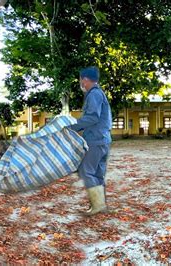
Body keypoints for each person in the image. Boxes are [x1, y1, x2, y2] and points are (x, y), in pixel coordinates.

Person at [69, 66, 112, 216]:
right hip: (103, 140)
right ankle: (100, 205)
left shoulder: (93, 94)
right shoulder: (100, 94)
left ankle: (98, 205)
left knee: (86, 170)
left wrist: (72, 126)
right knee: (97, 173)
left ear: (85, 80)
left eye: (81, 80)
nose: (81, 83)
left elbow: (92, 117)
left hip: (95, 140)